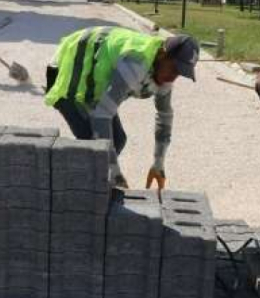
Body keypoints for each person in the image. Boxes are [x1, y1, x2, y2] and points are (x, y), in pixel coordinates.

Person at [45, 27, 199, 190]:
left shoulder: (163, 75)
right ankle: (66, 192)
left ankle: (88, 189)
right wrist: (116, 174)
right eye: (174, 68)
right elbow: (102, 116)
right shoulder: (136, 62)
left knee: (117, 141)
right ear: (162, 54)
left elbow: (164, 115)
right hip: (66, 69)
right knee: (93, 145)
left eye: (180, 73)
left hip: (92, 82)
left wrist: (158, 164)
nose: (173, 77)